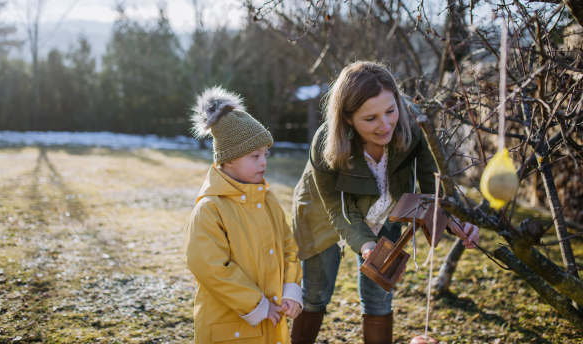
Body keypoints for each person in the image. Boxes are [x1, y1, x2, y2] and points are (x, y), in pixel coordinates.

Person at [290, 61, 480, 344]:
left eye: (390, 111)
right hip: (322, 214)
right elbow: (337, 210)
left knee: (379, 297)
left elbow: (436, 186)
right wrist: (365, 244)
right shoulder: (324, 144)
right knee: (316, 293)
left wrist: (458, 219)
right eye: (370, 119)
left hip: (385, 209)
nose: (385, 124)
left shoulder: (415, 125)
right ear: (347, 118)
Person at [185, 87, 303, 344]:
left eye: (265, 155)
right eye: (255, 156)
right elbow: (211, 268)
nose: (264, 162)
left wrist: (291, 290)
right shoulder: (210, 209)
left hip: (270, 325)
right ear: (228, 160)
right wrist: (258, 305)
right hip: (229, 329)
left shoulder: (267, 200)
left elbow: (287, 248)